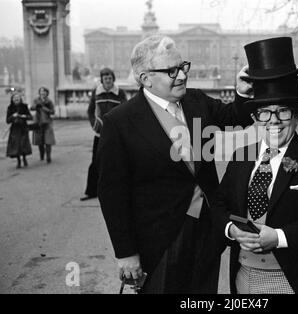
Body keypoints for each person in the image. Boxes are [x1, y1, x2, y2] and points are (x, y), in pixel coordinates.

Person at [96, 35, 254, 293]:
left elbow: (234, 116)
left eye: (183, 67)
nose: (181, 75)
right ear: (146, 78)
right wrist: (126, 253)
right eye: (172, 71)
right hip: (159, 242)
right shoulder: (119, 123)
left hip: (206, 231)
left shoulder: (197, 100)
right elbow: (112, 194)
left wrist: (241, 93)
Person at [210, 37, 298, 294]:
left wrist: (280, 237)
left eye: (282, 111)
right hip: (242, 276)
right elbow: (219, 204)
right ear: (255, 118)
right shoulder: (241, 157)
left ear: (296, 116)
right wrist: (231, 230)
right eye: (265, 112)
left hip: (289, 280)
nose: (274, 121)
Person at [80, 68, 127, 201]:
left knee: (116, 163)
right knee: (96, 162)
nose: (108, 80)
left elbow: (125, 111)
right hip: (100, 135)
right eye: (105, 78)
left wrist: (119, 128)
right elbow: (90, 111)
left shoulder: (120, 93)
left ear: (113, 79)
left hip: (114, 135)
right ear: (102, 80)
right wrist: (94, 124)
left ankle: (117, 191)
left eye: (110, 78)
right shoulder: (96, 92)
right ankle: (91, 191)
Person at [6, 92, 33, 168]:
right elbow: (7, 121)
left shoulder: (24, 106)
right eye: (14, 98)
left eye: (17, 98)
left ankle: (24, 158)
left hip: (23, 128)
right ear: (12, 99)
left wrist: (24, 116)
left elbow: (30, 117)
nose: (16, 99)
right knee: (16, 145)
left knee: (23, 144)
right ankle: (18, 161)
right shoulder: (10, 108)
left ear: (20, 99)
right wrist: (12, 116)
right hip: (15, 129)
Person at [30, 87, 56, 163]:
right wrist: (36, 106)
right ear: (39, 93)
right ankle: (42, 154)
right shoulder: (36, 100)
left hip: (47, 122)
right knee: (39, 141)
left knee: (48, 141)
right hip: (38, 122)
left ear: (47, 93)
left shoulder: (49, 101)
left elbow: (52, 112)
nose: (43, 93)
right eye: (41, 92)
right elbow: (32, 108)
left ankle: (48, 157)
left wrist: (44, 108)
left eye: (44, 92)